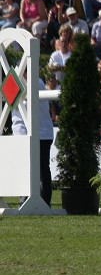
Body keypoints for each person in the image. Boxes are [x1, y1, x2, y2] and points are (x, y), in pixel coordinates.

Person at [10, 71, 55, 207]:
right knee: (32, 170)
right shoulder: (34, 81)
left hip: (39, 133)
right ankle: (27, 200)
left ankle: (43, 202)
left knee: (41, 170)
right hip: (33, 132)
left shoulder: (36, 82)